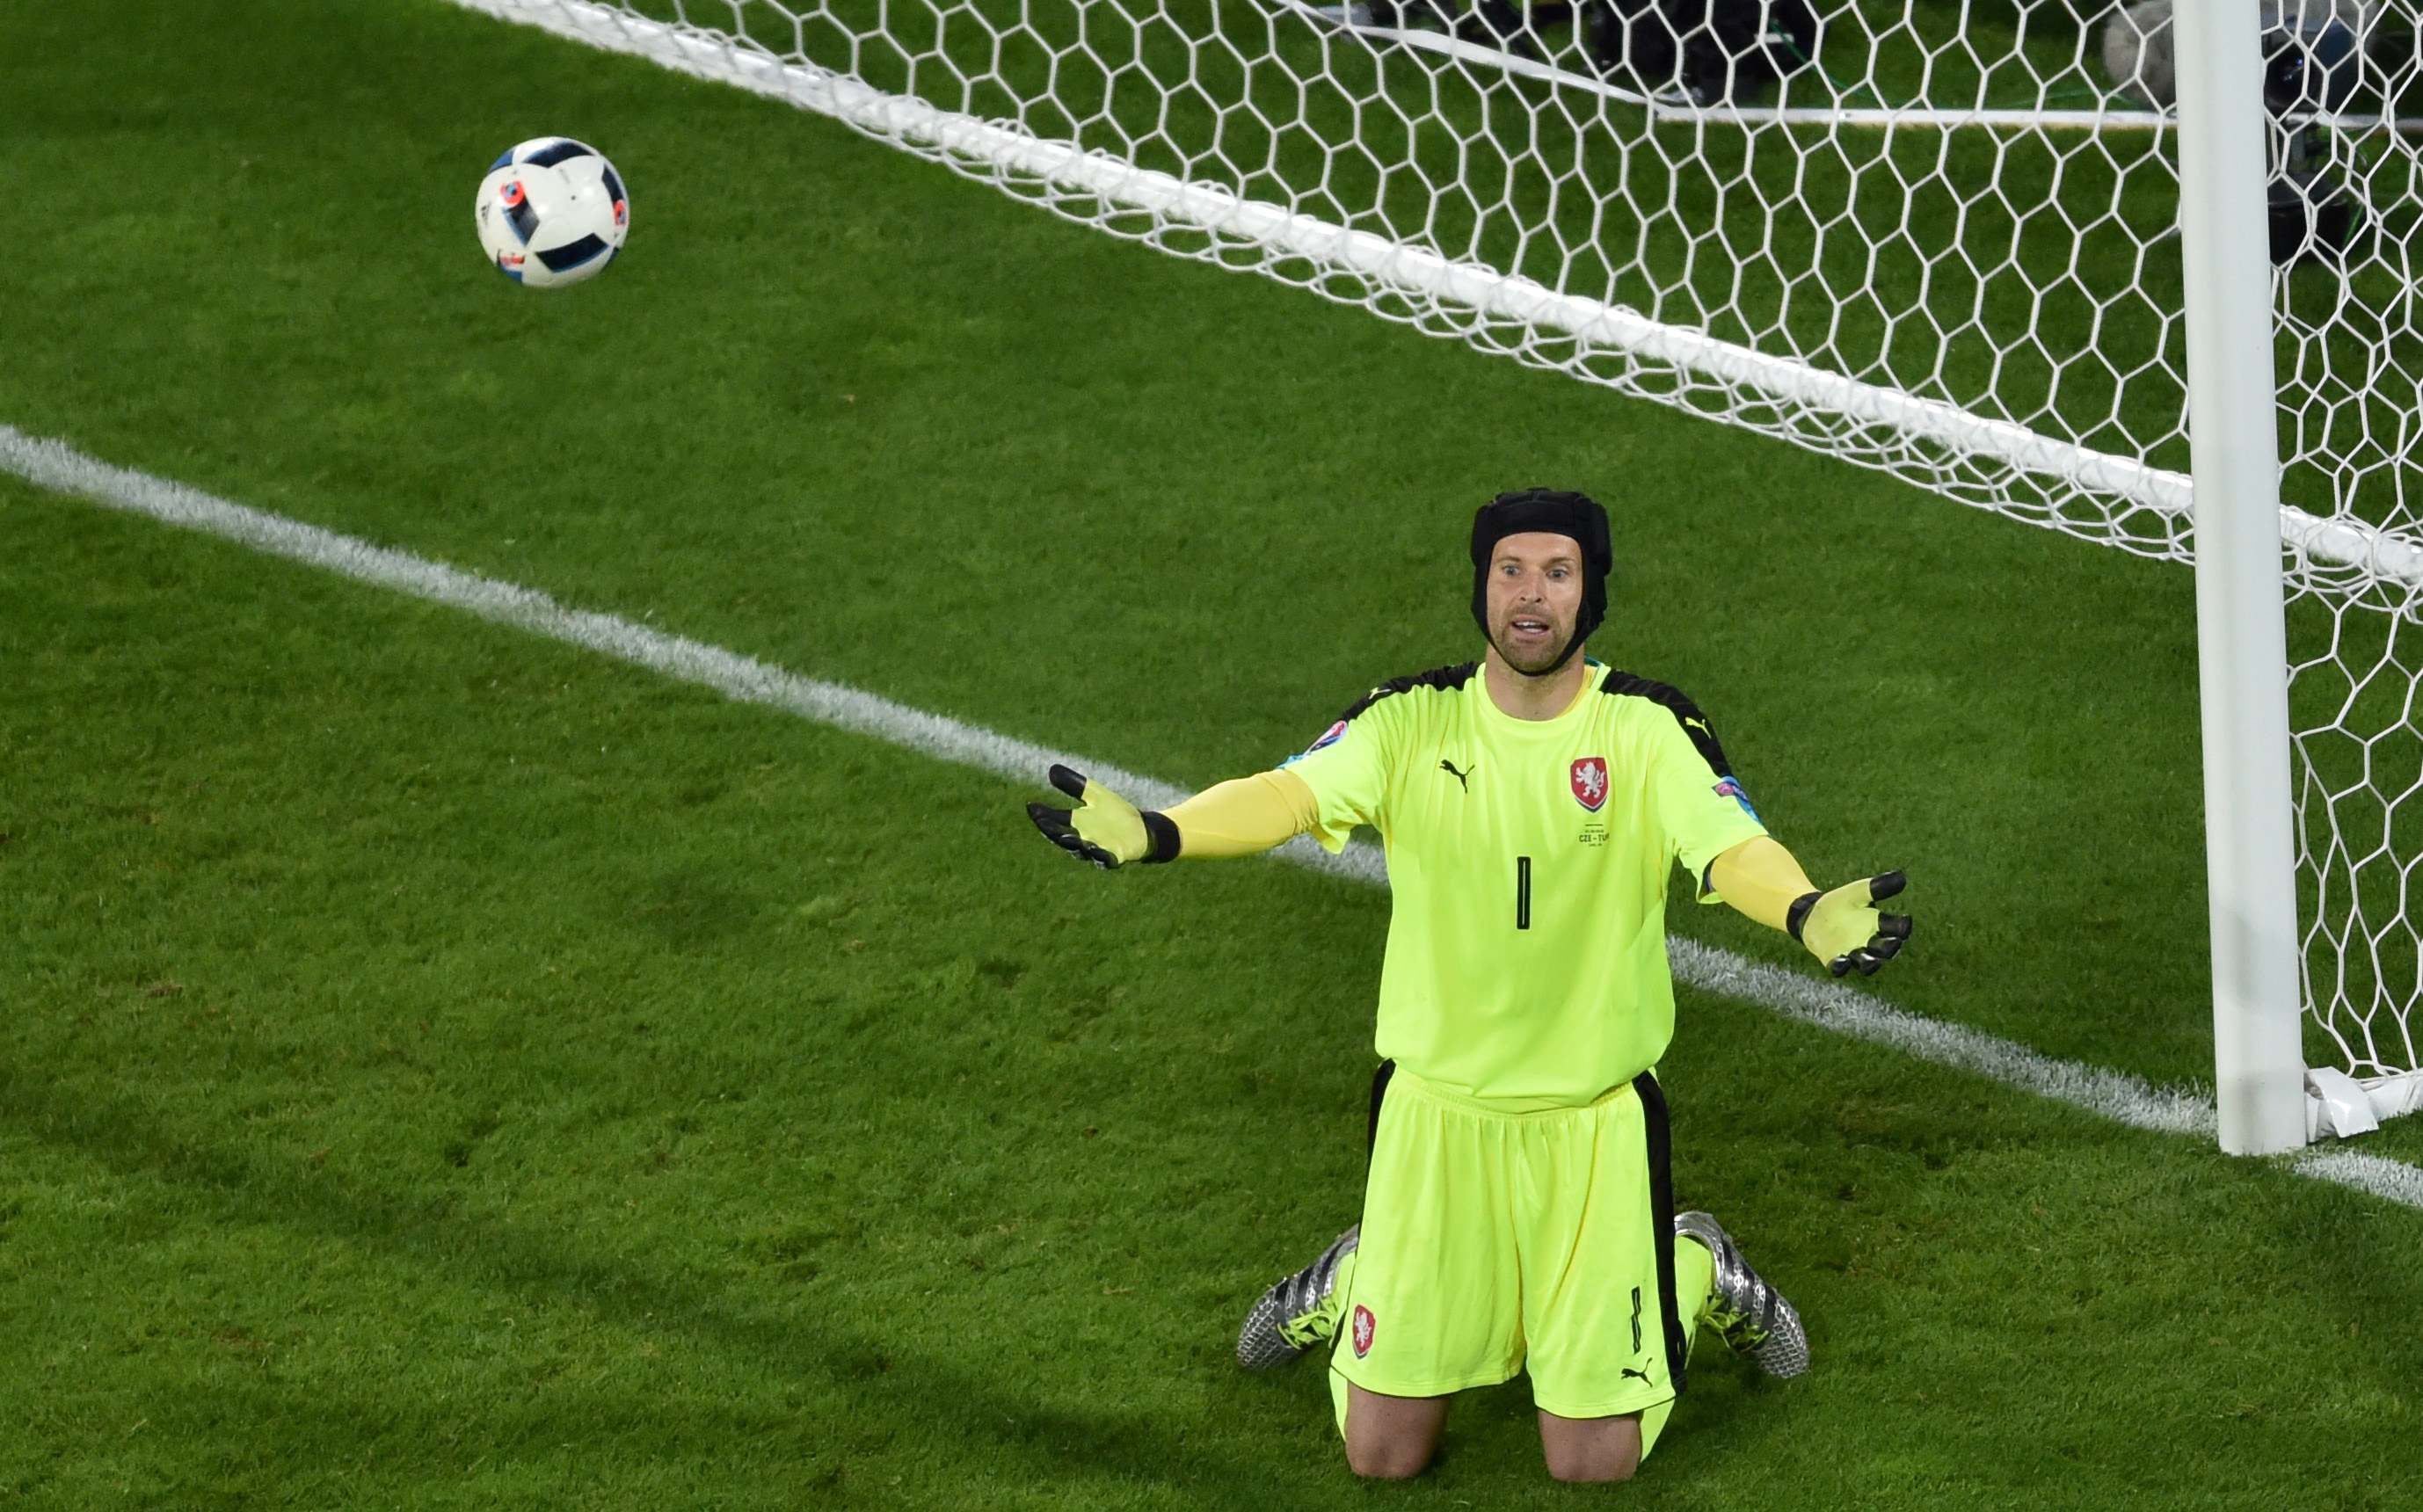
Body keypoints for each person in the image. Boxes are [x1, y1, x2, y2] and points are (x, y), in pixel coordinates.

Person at [1026, 489, 1910, 1482]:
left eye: (1557, 572)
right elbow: (1288, 793)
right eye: (1509, 570)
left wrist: (1798, 908)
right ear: (1481, 586)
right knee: (1381, 1457)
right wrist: (1162, 831)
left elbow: (1730, 846)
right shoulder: (1407, 720)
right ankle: (1357, 1267)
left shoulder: (1647, 728)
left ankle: (1695, 1261)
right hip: (1433, 1125)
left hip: (1591, 1128)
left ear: (1593, 593)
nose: (1530, 595)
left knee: (1592, 1462)